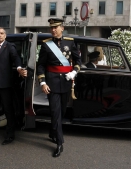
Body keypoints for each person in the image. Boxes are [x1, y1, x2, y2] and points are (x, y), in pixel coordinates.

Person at [36, 18, 81, 157]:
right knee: (55, 112)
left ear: (62, 28)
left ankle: (52, 132)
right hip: (52, 84)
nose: (53, 30)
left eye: (56, 27)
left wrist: (74, 71)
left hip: (66, 82)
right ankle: (59, 143)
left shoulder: (70, 42)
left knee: (61, 112)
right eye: (51, 28)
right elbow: (41, 65)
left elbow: (78, 61)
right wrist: (43, 82)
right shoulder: (46, 45)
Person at [0, 27, 27, 145]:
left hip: (4, 83)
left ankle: (10, 135)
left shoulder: (9, 47)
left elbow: (16, 58)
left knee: (8, 109)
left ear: (5, 35)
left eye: (2, 33)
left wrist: (19, 68)